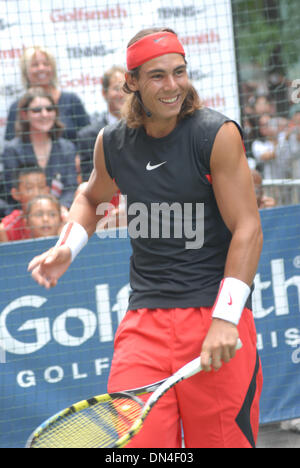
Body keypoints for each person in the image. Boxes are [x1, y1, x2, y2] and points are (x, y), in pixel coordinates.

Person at [28, 27, 263, 448]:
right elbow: (90, 195)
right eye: (157, 76)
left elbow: (247, 228)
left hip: (215, 318)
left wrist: (226, 318)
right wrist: (68, 246)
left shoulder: (216, 134)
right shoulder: (112, 142)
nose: (172, 86)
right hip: (144, 324)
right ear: (132, 82)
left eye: (179, 72)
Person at [2, 87, 78, 209]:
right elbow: (10, 193)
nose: (44, 114)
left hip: (60, 215)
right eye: (37, 110)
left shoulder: (67, 148)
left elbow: (70, 188)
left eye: (49, 109)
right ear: (24, 114)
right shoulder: (12, 150)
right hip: (24, 217)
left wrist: (58, 210)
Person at [4, 45, 90, 146]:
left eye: (46, 64)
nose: (41, 68)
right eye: (35, 65)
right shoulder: (17, 107)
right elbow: (10, 145)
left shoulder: (71, 100)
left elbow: (88, 137)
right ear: (25, 72)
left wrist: (78, 157)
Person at [77, 65, 126, 181]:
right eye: (116, 89)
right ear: (104, 93)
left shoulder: (146, 127)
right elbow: (88, 180)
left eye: (126, 88)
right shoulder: (88, 136)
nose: (122, 94)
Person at [0, 165, 49, 242]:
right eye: (29, 188)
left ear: (47, 190)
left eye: (41, 187)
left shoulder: (62, 219)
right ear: (16, 193)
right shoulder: (8, 228)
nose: (37, 193)